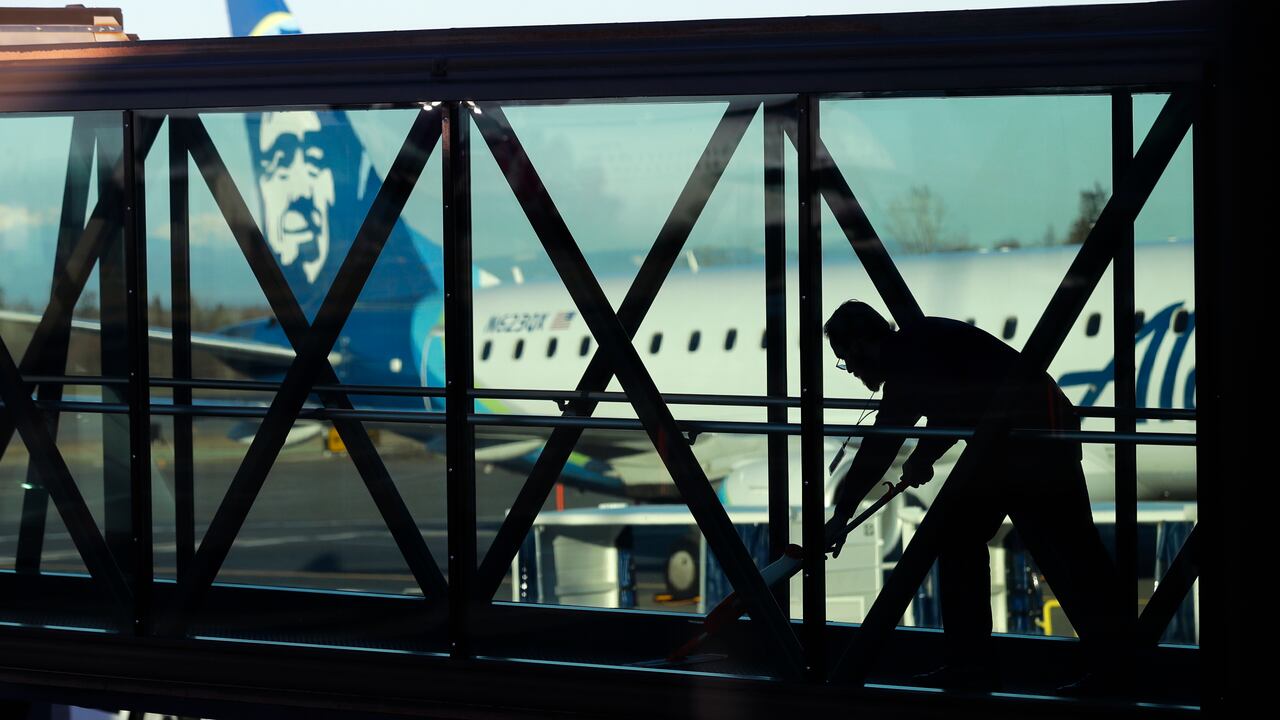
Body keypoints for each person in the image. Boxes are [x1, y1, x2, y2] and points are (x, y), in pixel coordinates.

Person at [823, 300, 1123, 693]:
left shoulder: (907, 364)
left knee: (988, 540)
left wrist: (844, 512)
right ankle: (1116, 664)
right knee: (1072, 549)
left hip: (1023, 442)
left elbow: (886, 441)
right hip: (1029, 435)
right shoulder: (918, 348)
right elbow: (952, 407)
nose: (851, 370)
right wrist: (922, 456)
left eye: (845, 358)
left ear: (859, 344)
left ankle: (974, 664)